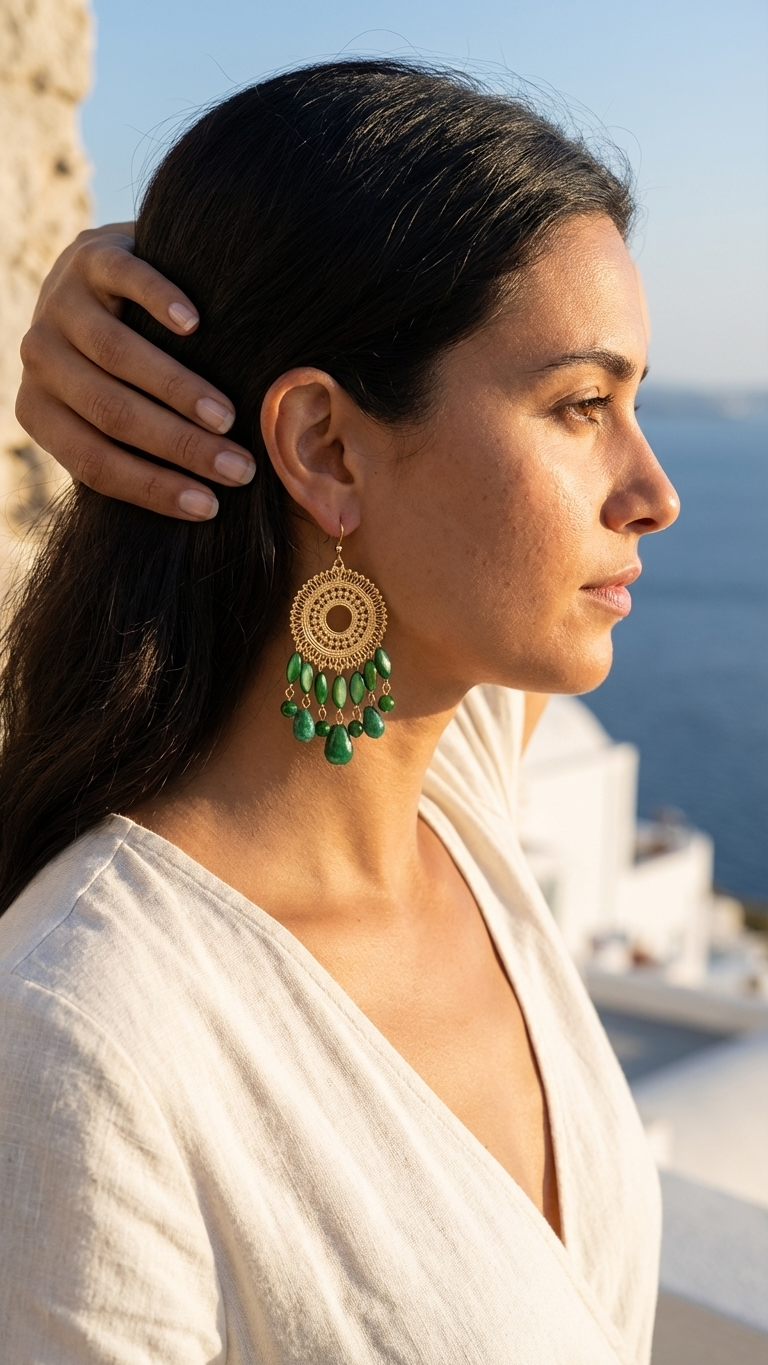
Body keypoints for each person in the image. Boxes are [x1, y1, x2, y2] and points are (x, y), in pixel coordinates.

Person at [0, 60, 678, 1364]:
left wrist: (154, 278)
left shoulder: (445, 788)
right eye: (582, 406)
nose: (652, 489)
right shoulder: (87, 1043)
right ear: (321, 446)